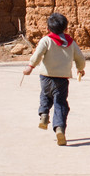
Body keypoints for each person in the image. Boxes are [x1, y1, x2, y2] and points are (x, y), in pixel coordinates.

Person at [23, 12, 86, 147]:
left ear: (48, 29)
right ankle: (59, 129)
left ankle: (44, 114)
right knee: (61, 103)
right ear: (66, 29)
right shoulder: (71, 43)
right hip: (62, 79)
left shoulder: (46, 40)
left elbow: (37, 55)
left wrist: (30, 67)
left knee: (45, 95)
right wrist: (81, 69)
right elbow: (80, 58)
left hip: (45, 77)